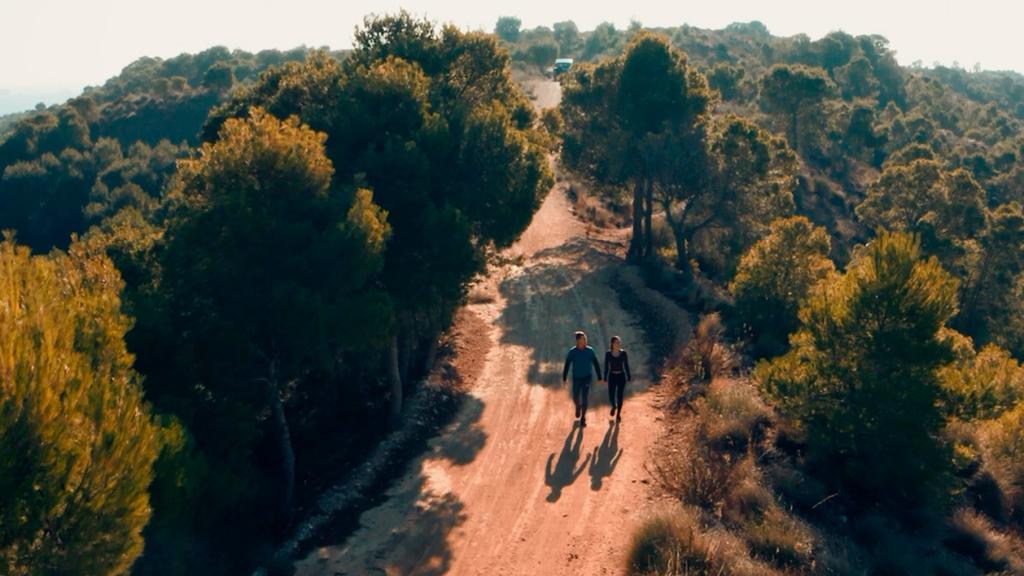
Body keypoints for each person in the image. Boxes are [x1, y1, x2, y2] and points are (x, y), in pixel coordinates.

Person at [562, 330, 602, 427]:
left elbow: (595, 363)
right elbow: (567, 364)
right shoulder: (572, 352)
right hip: (576, 378)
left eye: (585, 338)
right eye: (583, 339)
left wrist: (599, 377)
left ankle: (583, 418)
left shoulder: (590, 350)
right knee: (575, 397)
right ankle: (578, 406)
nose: (585, 340)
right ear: (578, 341)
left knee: (584, 397)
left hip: (587, 377)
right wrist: (564, 377)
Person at [604, 336, 631, 421]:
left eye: (619, 342)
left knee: (620, 395)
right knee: (611, 395)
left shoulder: (623, 353)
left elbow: (626, 365)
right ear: (612, 343)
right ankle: (613, 406)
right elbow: (606, 366)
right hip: (612, 376)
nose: (618, 344)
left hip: (621, 376)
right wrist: (605, 377)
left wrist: (629, 376)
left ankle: (618, 413)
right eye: (616, 342)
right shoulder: (608, 354)